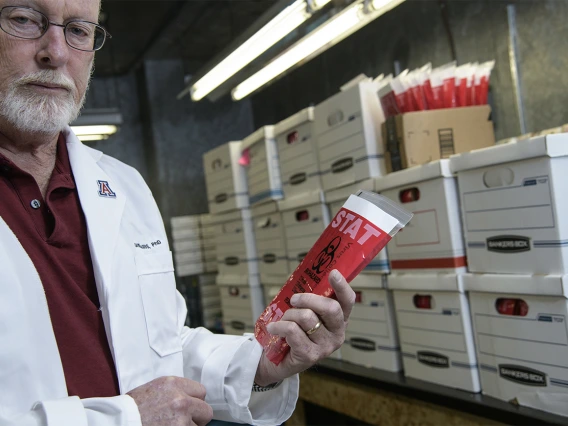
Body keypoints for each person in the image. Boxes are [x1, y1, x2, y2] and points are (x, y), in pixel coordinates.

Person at [0, 0, 356, 425]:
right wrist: (125, 419)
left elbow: (161, 348)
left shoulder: (123, 185)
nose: (56, 52)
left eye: (79, 30)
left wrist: (262, 363)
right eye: (24, 20)